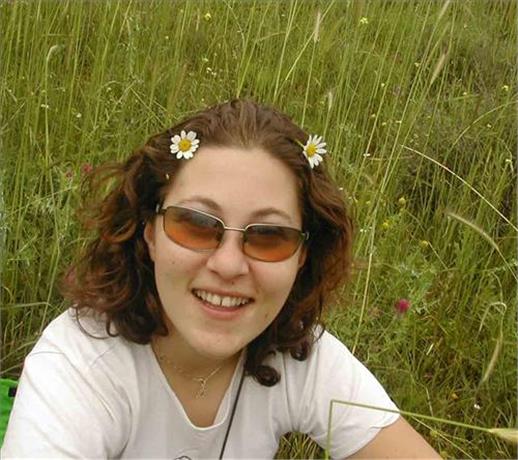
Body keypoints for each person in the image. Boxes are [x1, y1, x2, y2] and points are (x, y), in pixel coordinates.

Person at [1, 99, 440, 459]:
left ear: (302, 257)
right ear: (150, 233)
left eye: (269, 237)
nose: (228, 265)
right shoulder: (79, 366)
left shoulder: (300, 355)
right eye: (196, 225)